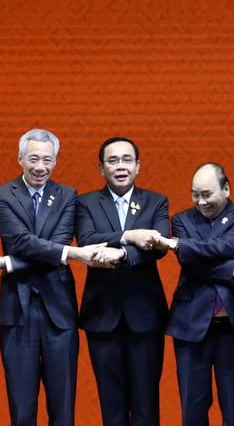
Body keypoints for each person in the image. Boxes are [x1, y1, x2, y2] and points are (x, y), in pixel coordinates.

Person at [0, 128, 102, 426]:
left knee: (63, 408)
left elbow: (48, 244)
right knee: (21, 409)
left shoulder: (68, 195)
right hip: (17, 310)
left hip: (60, 311)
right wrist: (70, 254)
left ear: (55, 161)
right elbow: (20, 242)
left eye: (48, 159)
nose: (40, 167)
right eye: (33, 158)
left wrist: (4, 263)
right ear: (20, 158)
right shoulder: (1, 194)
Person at [156, 162, 234, 426]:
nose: (200, 201)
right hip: (191, 327)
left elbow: (231, 245)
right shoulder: (181, 219)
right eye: (195, 194)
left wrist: (183, 245)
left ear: (226, 189)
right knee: (192, 412)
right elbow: (190, 264)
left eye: (207, 194)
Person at [74, 137, 171, 426]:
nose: (120, 166)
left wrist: (120, 253)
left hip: (145, 316)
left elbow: (159, 245)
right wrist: (129, 237)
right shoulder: (86, 202)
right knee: (111, 407)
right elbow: (87, 241)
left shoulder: (156, 201)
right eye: (112, 161)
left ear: (138, 166)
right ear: (101, 168)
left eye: (127, 160)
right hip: (101, 316)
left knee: (146, 406)